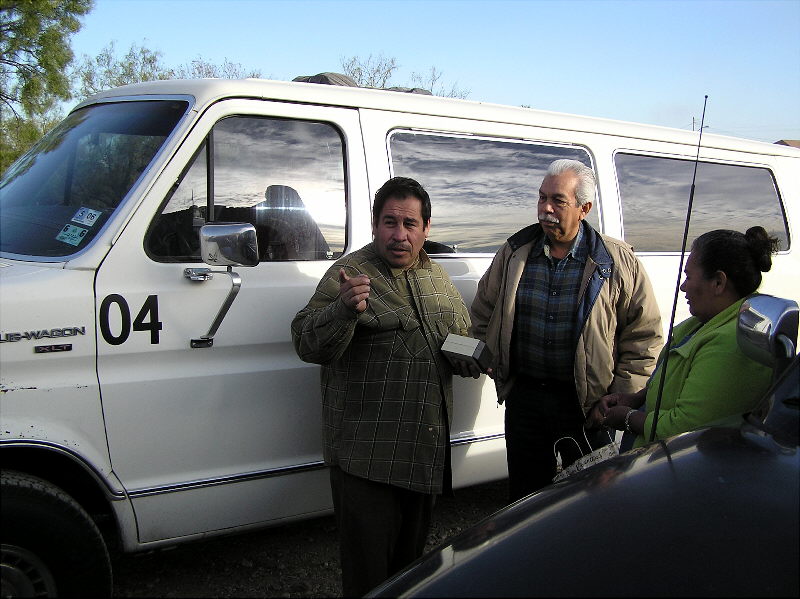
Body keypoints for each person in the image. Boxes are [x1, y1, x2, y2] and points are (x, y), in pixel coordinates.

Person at [291, 177, 472, 597]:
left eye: (410, 223)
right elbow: (304, 340)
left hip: (421, 457)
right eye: (390, 222)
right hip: (366, 463)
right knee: (369, 581)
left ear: (426, 229)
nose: (399, 234)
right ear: (374, 225)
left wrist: (478, 355)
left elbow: (456, 336)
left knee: (410, 577)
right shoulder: (349, 274)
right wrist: (341, 310)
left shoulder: (438, 279)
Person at [470, 159, 663, 502]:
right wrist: (489, 353)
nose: (545, 209)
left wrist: (620, 395)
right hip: (524, 399)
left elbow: (643, 337)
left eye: (558, 200)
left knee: (592, 501)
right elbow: (484, 311)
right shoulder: (515, 252)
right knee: (524, 501)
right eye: (542, 198)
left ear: (584, 208)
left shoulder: (616, 261)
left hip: (585, 407)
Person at [588, 227, 780, 447]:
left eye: (689, 277)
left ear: (718, 282)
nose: (683, 286)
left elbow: (684, 428)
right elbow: (672, 381)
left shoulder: (730, 344)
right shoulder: (702, 322)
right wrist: (637, 398)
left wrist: (627, 418)